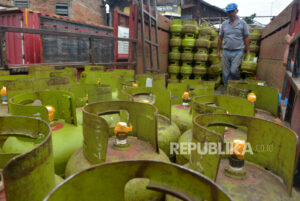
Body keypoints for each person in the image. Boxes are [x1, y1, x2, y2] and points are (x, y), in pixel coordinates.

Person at [217, 3, 250, 86]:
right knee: (225, 72)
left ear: (236, 11)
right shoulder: (224, 24)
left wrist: (248, 51)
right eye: (228, 12)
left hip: (238, 51)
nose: (230, 14)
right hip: (226, 51)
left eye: (232, 11)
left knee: (233, 70)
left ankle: (235, 84)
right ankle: (227, 88)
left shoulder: (242, 23)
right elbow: (220, 38)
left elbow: (246, 37)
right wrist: (218, 51)